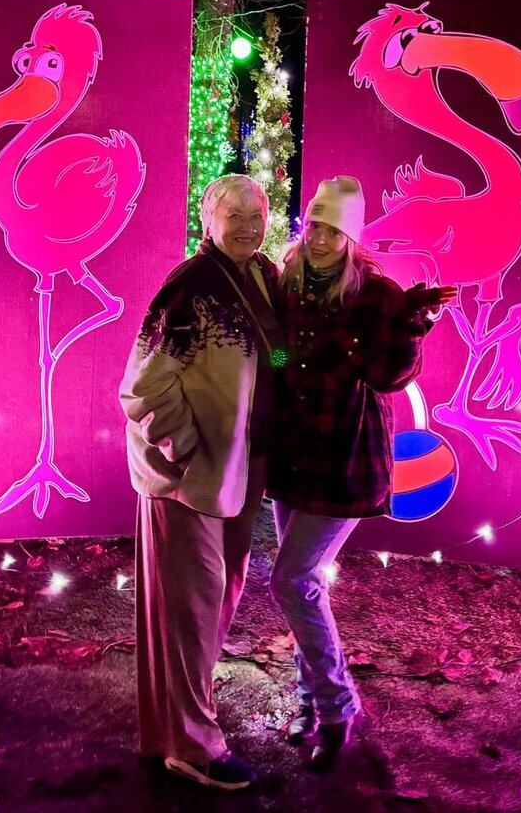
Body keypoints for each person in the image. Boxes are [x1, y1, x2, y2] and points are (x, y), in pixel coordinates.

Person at [268, 176, 457, 771]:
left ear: (351, 238)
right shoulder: (287, 281)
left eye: (333, 230)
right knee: (303, 586)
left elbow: (388, 378)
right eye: (314, 226)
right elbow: (278, 351)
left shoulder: (376, 294)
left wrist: (409, 327)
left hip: (346, 458)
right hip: (294, 453)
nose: (320, 239)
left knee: (291, 581)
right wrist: (279, 366)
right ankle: (309, 702)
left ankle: (335, 708)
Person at [119, 174, 283, 791]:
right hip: (190, 475)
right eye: (233, 215)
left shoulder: (262, 277)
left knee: (218, 597)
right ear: (207, 219)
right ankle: (192, 747)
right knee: (192, 606)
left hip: (244, 465)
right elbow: (143, 388)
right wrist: (185, 451)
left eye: (256, 214)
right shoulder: (190, 288)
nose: (247, 226)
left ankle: (176, 721)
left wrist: (289, 376)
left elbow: (278, 353)